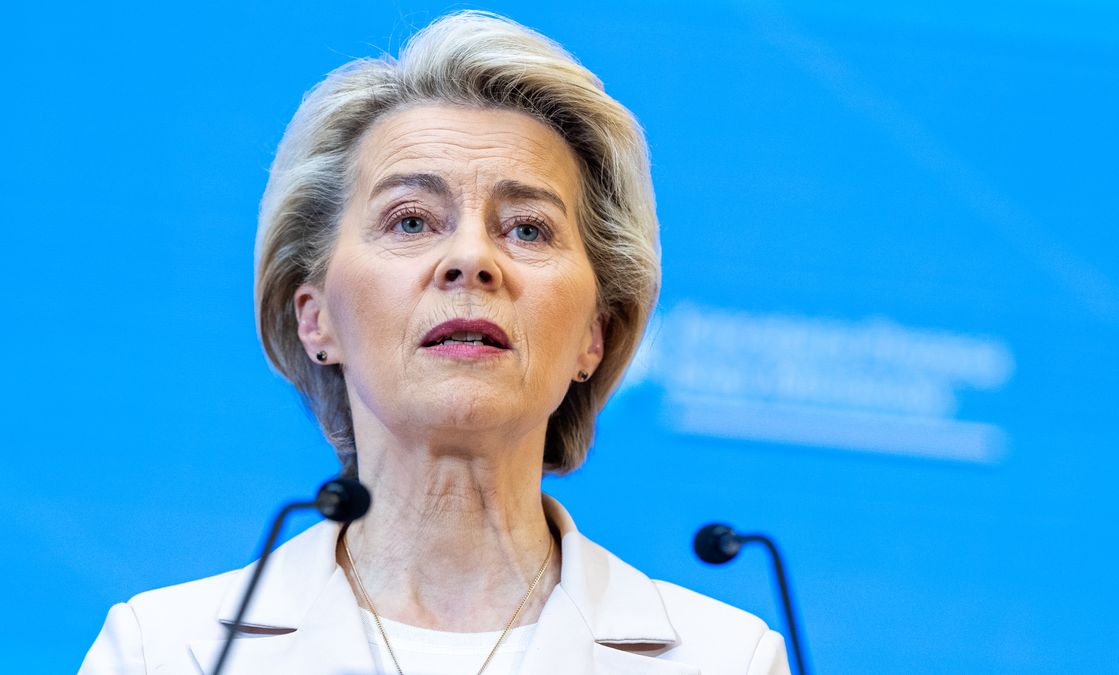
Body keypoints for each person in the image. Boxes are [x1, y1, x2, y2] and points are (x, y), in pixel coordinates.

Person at [80, 11, 789, 675]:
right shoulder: (168, 650)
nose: (472, 259)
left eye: (528, 229)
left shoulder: (724, 657)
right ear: (314, 316)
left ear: (594, 335)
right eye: (412, 220)